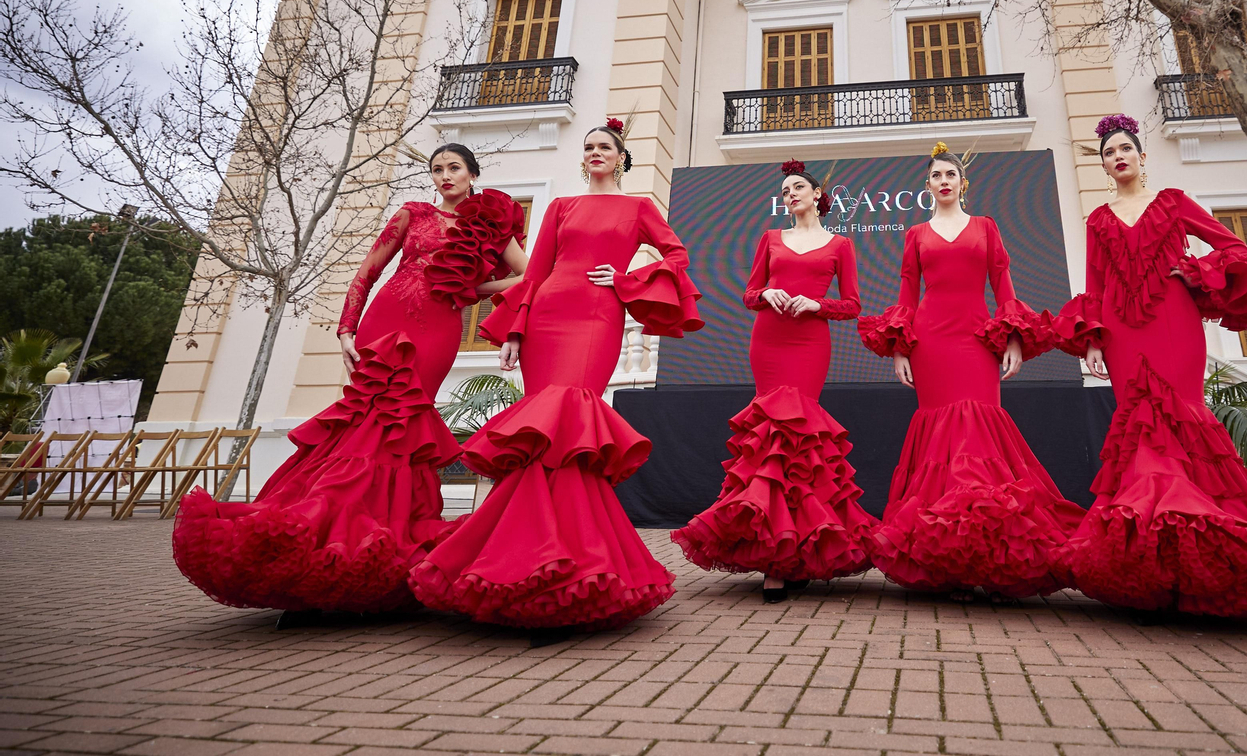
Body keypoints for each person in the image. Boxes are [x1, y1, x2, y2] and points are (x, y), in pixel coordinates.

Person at [173, 144, 527, 620]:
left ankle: (378, 551)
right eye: (437, 169)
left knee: (403, 431)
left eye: (454, 168)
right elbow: (368, 271)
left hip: (439, 330)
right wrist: (345, 329)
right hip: (388, 319)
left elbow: (527, 275)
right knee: (364, 424)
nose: (444, 176)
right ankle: (325, 545)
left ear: (472, 174)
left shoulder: (488, 224)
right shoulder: (413, 214)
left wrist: (468, 289)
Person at [408, 119, 702, 641]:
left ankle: (568, 573)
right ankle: (521, 568)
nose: (594, 153)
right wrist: (514, 332)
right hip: (545, 316)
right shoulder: (562, 206)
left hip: (596, 317)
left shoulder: (637, 208)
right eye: (588, 147)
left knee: (570, 426)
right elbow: (535, 272)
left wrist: (628, 279)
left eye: (604, 147)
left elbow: (678, 256)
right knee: (540, 436)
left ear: (621, 157)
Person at [1056, 114, 1247, 624]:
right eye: (1109, 153)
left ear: (1142, 156)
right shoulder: (1098, 220)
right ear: (1104, 165)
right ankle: (1152, 556)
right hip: (1123, 333)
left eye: (1126, 148)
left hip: (1175, 322)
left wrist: (1193, 271)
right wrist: (1094, 343)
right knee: (1138, 425)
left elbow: (1232, 247)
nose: (1118, 157)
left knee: (1180, 416)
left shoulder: (1174, 201)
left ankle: (1207, 547)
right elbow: (1095, 286)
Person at [857, 144, 1081, 602]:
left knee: (979, 432)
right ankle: (950, 561)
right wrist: (900, 348)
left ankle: (993, 557)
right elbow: (906, 288)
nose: (943, 181)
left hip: (977, 338)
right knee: (940, 437)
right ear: (928, 186)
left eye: (950, 175)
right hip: (930, 340)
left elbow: (1003, 281)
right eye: (936, 175)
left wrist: (1015, 337)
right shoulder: (916, 232)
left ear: (963, 183)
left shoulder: (986, 227)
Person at [673, 160, 877, 602]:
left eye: (797, 187)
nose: (790, 195)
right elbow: (748, 295)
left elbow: (854, 304)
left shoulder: (840, 244)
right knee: (768, 437)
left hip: (810, 343)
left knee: (800, 441)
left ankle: (798, 549)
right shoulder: (769, 239)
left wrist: (816, 304)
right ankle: (773, 556)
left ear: (818, 194)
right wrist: (765, 293)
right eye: (785, 191)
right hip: (768, 340)